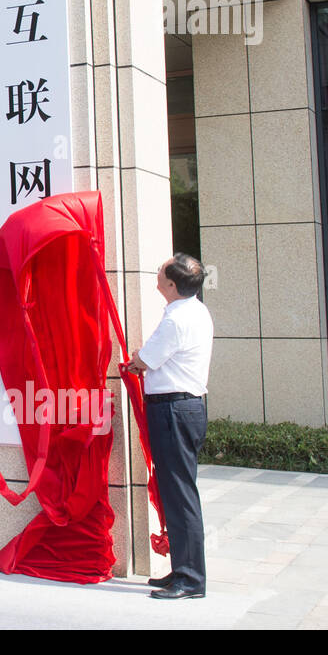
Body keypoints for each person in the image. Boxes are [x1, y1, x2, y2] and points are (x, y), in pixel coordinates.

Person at [128, 253, 213, 600]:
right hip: (182, 408)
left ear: (172, 285)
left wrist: (136, 359)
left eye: (161, 272)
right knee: (176, 491)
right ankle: (182, 569)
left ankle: (190, 578)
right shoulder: (195, 311)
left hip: (175, 410)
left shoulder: (176, 320)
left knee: (180, 494)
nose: (157, 275)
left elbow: (145, 360)